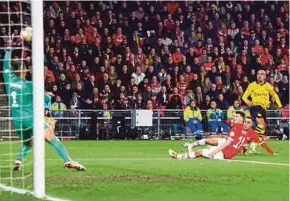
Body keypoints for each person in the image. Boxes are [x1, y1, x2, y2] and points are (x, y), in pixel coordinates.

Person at [3, 47, 86, 171]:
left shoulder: (8, 80)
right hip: (31, 119)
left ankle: (18, 161)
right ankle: (68, 160)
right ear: (25, 71)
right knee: (52, 138)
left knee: (29, 142)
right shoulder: (29, 85)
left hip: (17, 121)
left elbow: (5, 64)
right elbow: (45, 99)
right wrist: (48, 97)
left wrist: (8, 49)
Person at [169, 112, 275, 160]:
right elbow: (243, 142)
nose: (234, 117)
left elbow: (229, 142)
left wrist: (214, 152)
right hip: (228, 151)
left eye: (236, 116)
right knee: (208, 144)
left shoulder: (238, 128)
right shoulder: (242, 129)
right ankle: (189, 149)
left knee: (201, 152)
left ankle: (179, 156)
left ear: (241, 120)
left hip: (225, 153)